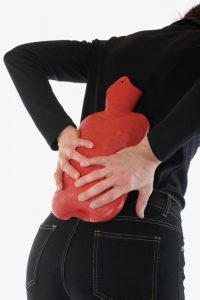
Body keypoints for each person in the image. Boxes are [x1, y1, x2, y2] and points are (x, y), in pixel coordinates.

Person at [4, 3, 200, 299]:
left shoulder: (114, 49)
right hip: (136, 233)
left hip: (54, 238)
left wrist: (60, 130)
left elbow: (22, 58)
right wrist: (149, 153)